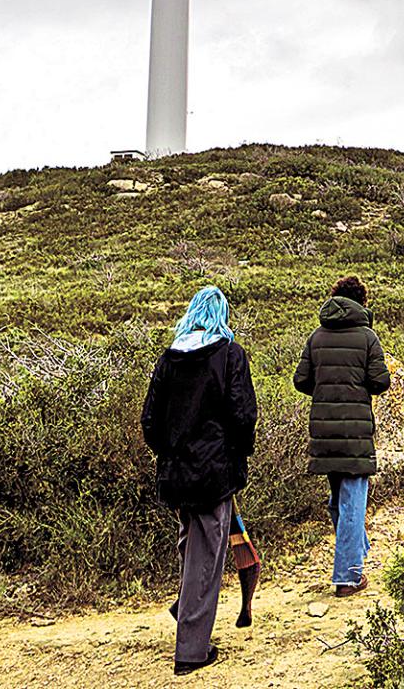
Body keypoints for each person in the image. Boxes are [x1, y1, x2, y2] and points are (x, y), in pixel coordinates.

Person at [141, 285, 256, 676]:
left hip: (178, 473)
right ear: (222, 315)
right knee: (207, 554)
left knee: (191, 541)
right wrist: (236, 456)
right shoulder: (230, 355)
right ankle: (191, 650)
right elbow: (243, 416)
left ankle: (185, 607)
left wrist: (169, 454)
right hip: (213, 473)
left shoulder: (168, 359)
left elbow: (150, 422)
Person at [293, 275, 391, 597]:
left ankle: (356, 554)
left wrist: (326, 390)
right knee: (352, 503)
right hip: (356, 431)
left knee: (338, 500)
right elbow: (380, 382)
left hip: (324, 429)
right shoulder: (368, 337)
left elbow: (301, 380)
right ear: (363, 301)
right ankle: (348, 576)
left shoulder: (316, 337)